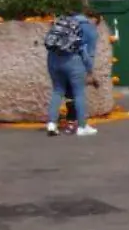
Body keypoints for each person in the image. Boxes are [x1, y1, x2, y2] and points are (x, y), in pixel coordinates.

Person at [43, 9, 101, 138]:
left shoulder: (64, 21)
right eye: (96, 22)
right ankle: (82, 126)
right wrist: (90, 71)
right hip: (73, 61)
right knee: (78, 93)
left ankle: (52, 124)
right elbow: (88, 53)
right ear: (92, 18)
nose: (95, 26)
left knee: (57, 91)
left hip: (53, 59)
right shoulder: (90, 29)